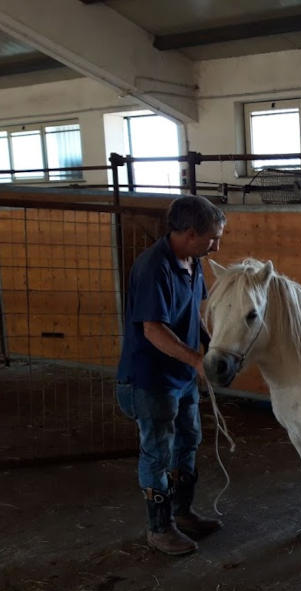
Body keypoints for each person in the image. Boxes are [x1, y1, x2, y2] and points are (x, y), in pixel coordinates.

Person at [115, 195, 226, 555]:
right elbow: (153, 330)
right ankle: (159, 528)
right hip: (151, 378)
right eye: (213, 238)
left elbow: (193, 315)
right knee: (157, 451)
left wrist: (211, 349)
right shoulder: (154, 267)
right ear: (190, 233)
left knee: (187, 440)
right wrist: (197, 361)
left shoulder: (193, 263)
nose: (217, 245)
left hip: (179, 375)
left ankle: (183, 512)